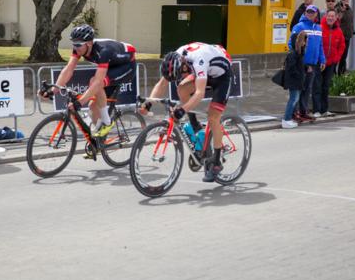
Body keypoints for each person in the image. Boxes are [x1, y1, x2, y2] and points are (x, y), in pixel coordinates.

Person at [141, 42, 232, 182]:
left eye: (180, 75)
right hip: (205, 69)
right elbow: (162, 84)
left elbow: (199, 93)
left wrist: (182, 110)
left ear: (184, 65)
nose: (180, 77)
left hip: (222, 76)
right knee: (181, 89)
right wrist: (148, 104)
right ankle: (195, 126)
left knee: (213, 116)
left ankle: (216, 162)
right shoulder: (176, 58)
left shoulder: (198, 61)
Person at [48, 24, 137, 140]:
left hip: (126, 66)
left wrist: (80, 102)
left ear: (89, 43)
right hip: (111, 65)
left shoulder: (103, 51)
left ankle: (107, 122)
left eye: (78, 45)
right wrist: (54, 90)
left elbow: (98, 82)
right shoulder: (80, 48)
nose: (75, 47)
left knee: (94, 81)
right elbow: (68, 69)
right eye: (73, 44)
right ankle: (98, 141)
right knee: (92, 106)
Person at [289, 5, 325, 121]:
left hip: (313, 64)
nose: (310, 14)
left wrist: (322, 59)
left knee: (307, 89)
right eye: (308, 12)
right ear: (305, 13)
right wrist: (299, 58)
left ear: (316, 14)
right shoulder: (299, 26)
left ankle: (303, 111)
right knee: (298, 89)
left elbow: (320, 46)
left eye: (312, 12)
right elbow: (291, 44)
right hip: (301, 63)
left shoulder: (319, 28)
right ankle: (294, 113)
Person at [314, 9, 345, 117]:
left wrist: (336, 58)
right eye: (329, 16)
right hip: (319, 63)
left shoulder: (339, 31)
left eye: (333, 16)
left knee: (326, 87)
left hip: (331, 63)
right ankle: (316, 110)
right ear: (325, 16)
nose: (331, 18)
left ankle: (324, 110)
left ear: (336, 17)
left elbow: (342, 46)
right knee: (317, 86)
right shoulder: (320, 28)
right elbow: (316, 45)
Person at [282, 32, 306, 129]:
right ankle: (286, 119)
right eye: (304, 41)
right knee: (293, 100)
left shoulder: (299, 53)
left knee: (294, 99)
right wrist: (299, 75)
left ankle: (288, 119)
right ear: (300, 41)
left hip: (297, 81)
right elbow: (291, 69)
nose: (305, 43)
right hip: (294, 81)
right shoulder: (293, 54)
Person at [335, 0, 354, 75]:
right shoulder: (338, 8)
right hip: (339, 37)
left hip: (347, 36)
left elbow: (350, 21)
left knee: (344, 57)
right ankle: (333, 74)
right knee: (337, 56)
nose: (346, 0)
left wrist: (352, 30)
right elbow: (337, 19)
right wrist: (342, 11)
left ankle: (341, 74)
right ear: (341, 0)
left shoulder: (349, 9)